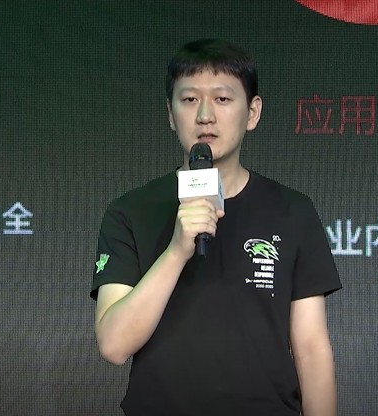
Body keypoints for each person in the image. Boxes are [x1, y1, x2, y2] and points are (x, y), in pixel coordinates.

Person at [91, 39, 341, 416]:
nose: (205, 115)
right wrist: (176, 251)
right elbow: (113, 345)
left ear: (252, 112)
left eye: (222, 99)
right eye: (190, 99)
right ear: (171, 114)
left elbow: (310, 348)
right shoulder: (130, 211)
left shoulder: (292, 211)